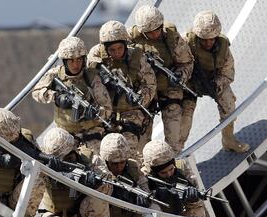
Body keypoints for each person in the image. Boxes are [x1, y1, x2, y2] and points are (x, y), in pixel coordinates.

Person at [129, 5, 194, 154]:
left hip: (169, 88)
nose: (154, 35)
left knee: (174, 134)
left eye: (157, 30)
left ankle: (173, 162)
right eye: (149, 33)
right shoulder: (131, 38)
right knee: (142, 138)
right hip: (145, 91)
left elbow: (187, 62)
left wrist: (180, 75)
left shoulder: (171, 36)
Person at [87, 20, 156, 161]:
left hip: (132, 111)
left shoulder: (136, 57)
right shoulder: (96, 56)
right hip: (104, 111)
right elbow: (85, 79)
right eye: (112, 50)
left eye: (120, 48)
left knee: (131, 152)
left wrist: (140, 97)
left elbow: (150, 84)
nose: (117, 53)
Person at [181, 10, 250, 152]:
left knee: (229, 105)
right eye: (204, 39)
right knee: (183, 121)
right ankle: (177, 156)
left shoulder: (222, 47)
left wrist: (216, 85)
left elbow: (228, 72)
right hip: (188, 85)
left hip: (213, 81)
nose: (208, 43)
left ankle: (228, 140)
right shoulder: (183, 43)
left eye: (211, 39)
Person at [32, 36, 112, 154]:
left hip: (90, 132)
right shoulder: (55, 74)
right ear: (64, 61)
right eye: (71, 61)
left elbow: (107, 109)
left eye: (79, 60)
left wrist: (95, 114)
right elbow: (36, 92)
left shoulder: (91, 77)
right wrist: (56, 97)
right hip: (64, 132)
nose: (76, 65)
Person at [38, 127, 114, 217]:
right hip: (55, 215)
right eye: (62, 160)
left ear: (74, 149)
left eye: (69, 158)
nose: (66, 162)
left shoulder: (91, 159)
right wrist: (49, 173)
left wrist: (92, 184)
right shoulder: (44, 165)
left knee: (98, 198)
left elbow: (109, 185)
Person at [141, 140, 208, 217]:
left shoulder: (182, 168)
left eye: (171, 169)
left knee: (197, 211)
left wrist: (193, 199)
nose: (168, 174)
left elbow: (198, 199)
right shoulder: (143, 177)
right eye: (163, 172)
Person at [98, 133, 151, 217]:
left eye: (122, 162)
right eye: (114, 164)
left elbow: (144, 185)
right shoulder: (98, 173)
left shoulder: (132, 167)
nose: (119, 167)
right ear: (106, 161)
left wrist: (143, 197)